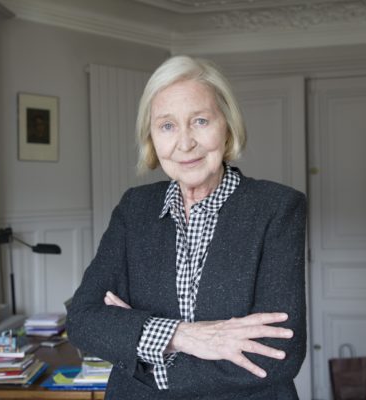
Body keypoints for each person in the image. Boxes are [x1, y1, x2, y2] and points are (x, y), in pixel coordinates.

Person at [66, 55, 306, 399]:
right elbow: (82, 320)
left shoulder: (277, 207)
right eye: (167, 126)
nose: (185, 143)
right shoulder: (134, 208)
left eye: (200, 121)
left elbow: (277, 353)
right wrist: (183, 336)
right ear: (151, 137)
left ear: (227, 126)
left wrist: (139, 343)